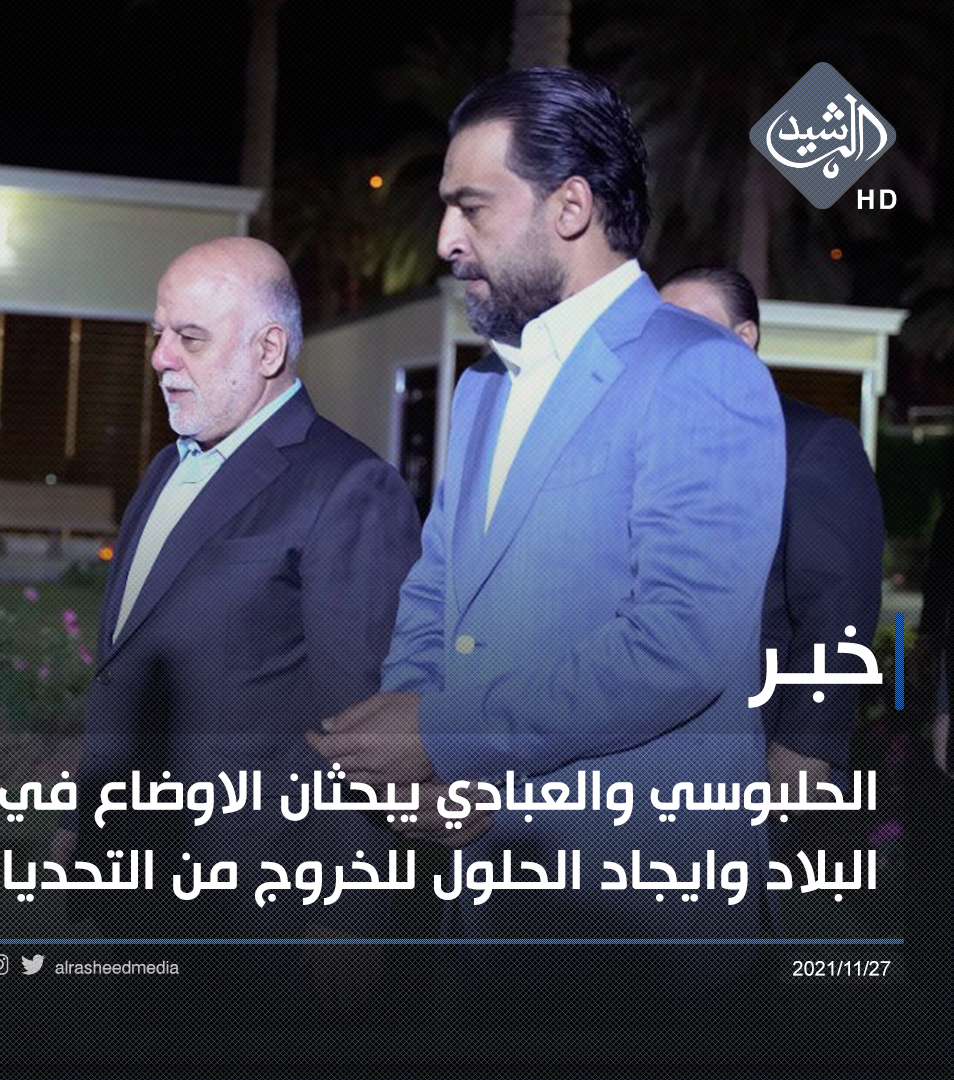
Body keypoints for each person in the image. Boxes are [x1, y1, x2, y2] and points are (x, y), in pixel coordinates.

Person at [310, 68, 786, 1030]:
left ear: (570, 207)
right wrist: (422, 772)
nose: (445, 240)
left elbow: (679, 646)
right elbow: (438, 591)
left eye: (471, 207)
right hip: (487, 918)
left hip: (640, 942)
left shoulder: (701, 374)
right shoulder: (485, 386)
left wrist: (442, 736)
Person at [50, 237, 422, 1026]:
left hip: (251, 915)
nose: (160, 358)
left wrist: (349, 908)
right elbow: (127, 667)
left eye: (189, 337)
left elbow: (362, 718)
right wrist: (85, 820)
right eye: (159, 334)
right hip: (137, 882)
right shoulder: (166, 466)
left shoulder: (348, 486)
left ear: (268, 350)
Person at [660, 267, 885, 814]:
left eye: (689, 327)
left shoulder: (811, 441)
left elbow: (839, 604)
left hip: (750, 745)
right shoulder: (649, 442)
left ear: (744, 338)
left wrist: (807, 744)